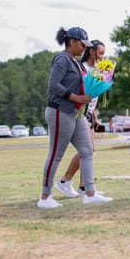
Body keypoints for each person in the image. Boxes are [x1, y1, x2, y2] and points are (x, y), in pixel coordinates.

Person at [37, 27, 112, 208]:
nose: (84, 49)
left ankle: (90, 193)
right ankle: (44, 197)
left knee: (86, 150)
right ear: (72, 42)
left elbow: (85, 82)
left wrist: (101, 80)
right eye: (82, 44)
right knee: (56, 155)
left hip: (75, 113)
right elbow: (53, 84)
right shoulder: (62, 59)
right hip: (59, 111)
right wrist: (75, 97)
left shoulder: (77, 62)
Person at [54, 40, 108, 198]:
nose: (102, 56)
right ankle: (64, 180)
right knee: (87, 150)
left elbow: (93, 98)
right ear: (91, 51)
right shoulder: (81, 68)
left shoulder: (97, 69)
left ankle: (84, 187)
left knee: (90, 150)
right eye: (100, 53)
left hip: (89, 113)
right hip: (79, 112)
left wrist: (95, 117)